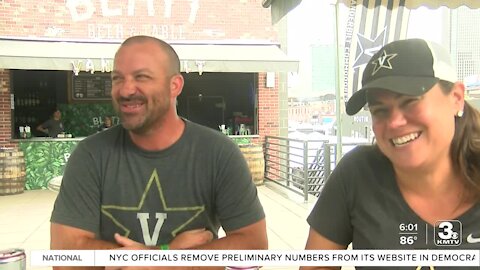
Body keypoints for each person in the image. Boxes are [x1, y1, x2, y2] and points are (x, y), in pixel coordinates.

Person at [50, 35, 267, 269]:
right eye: (117, 78)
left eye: (141, 77)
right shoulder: (90, 155)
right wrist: (166, 254)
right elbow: (66, 255)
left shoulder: (218, 153)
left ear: (175, 85)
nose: (126, 89)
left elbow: (254, 245)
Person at [301, 39, 480, 270]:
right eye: (380, 110)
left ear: (456, 98)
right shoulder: (357, 173)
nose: (395, 122)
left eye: (410, 102)